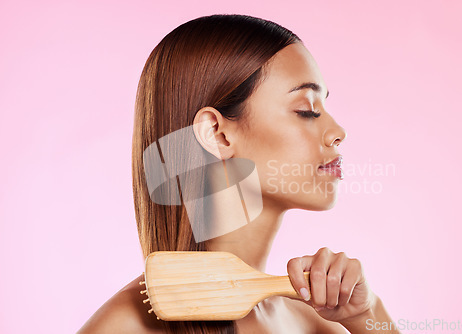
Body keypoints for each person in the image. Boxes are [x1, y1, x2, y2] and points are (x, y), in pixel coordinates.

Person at [78, 14, 400, 333]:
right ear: (217, 134)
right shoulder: (123, 327)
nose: (337, 131)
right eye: (307, 110)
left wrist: (368, 315)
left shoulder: (314, 323)